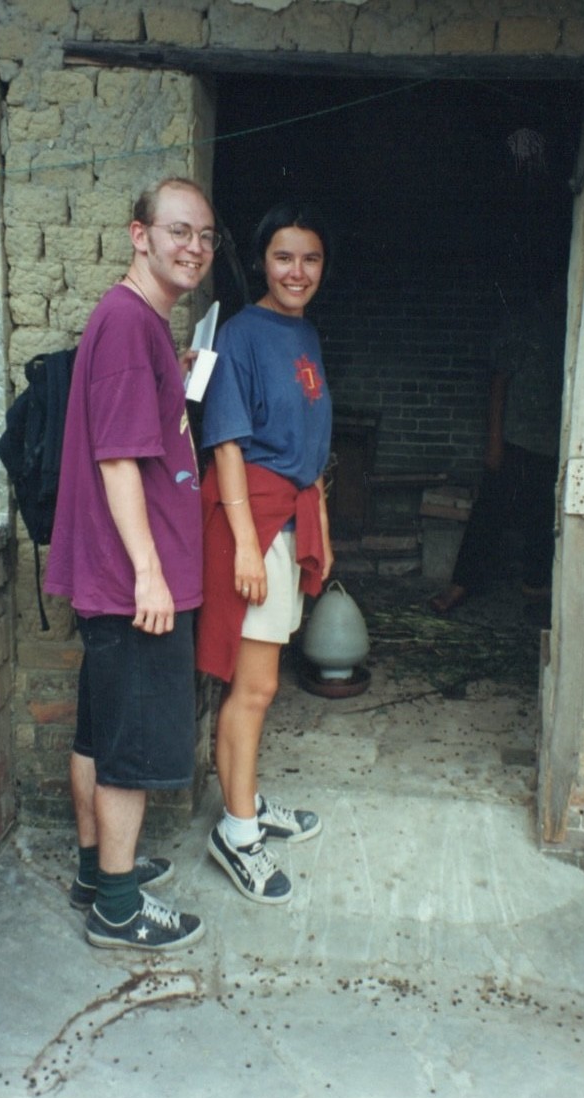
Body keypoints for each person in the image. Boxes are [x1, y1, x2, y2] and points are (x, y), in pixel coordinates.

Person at [44, 177, 217, 951]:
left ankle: (95, 870)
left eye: (205, 237)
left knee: (100, 731)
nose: (194, 247)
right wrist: (149, 571)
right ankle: (116, 907)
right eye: (178, 230)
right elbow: (118, 459)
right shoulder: (123, 323)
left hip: (119, 579)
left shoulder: (139, 325)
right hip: (133, 582)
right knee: (133, 745)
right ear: (137, 233)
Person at [195, 203, 333, 905]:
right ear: (261, 263)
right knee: (253, 686)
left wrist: (323, 527)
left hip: (289, 517)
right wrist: (247, 546)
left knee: (251, 684)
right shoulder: (242, 333)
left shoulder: (303, 332)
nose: (297, 271)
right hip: (251, 522)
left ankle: (241, 801)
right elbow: (225, 442)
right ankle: (238, 833)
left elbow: (311, 443)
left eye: (309, 258)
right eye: (284, 257)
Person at [428, 286, 565, 615]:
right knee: (489, 514)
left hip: (556, 445)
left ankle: (535, 585)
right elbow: (498, 383)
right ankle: (460, 584)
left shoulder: (569, 322)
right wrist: (494, 442)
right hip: (517, 439)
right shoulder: (524, 324)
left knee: (546, 517)